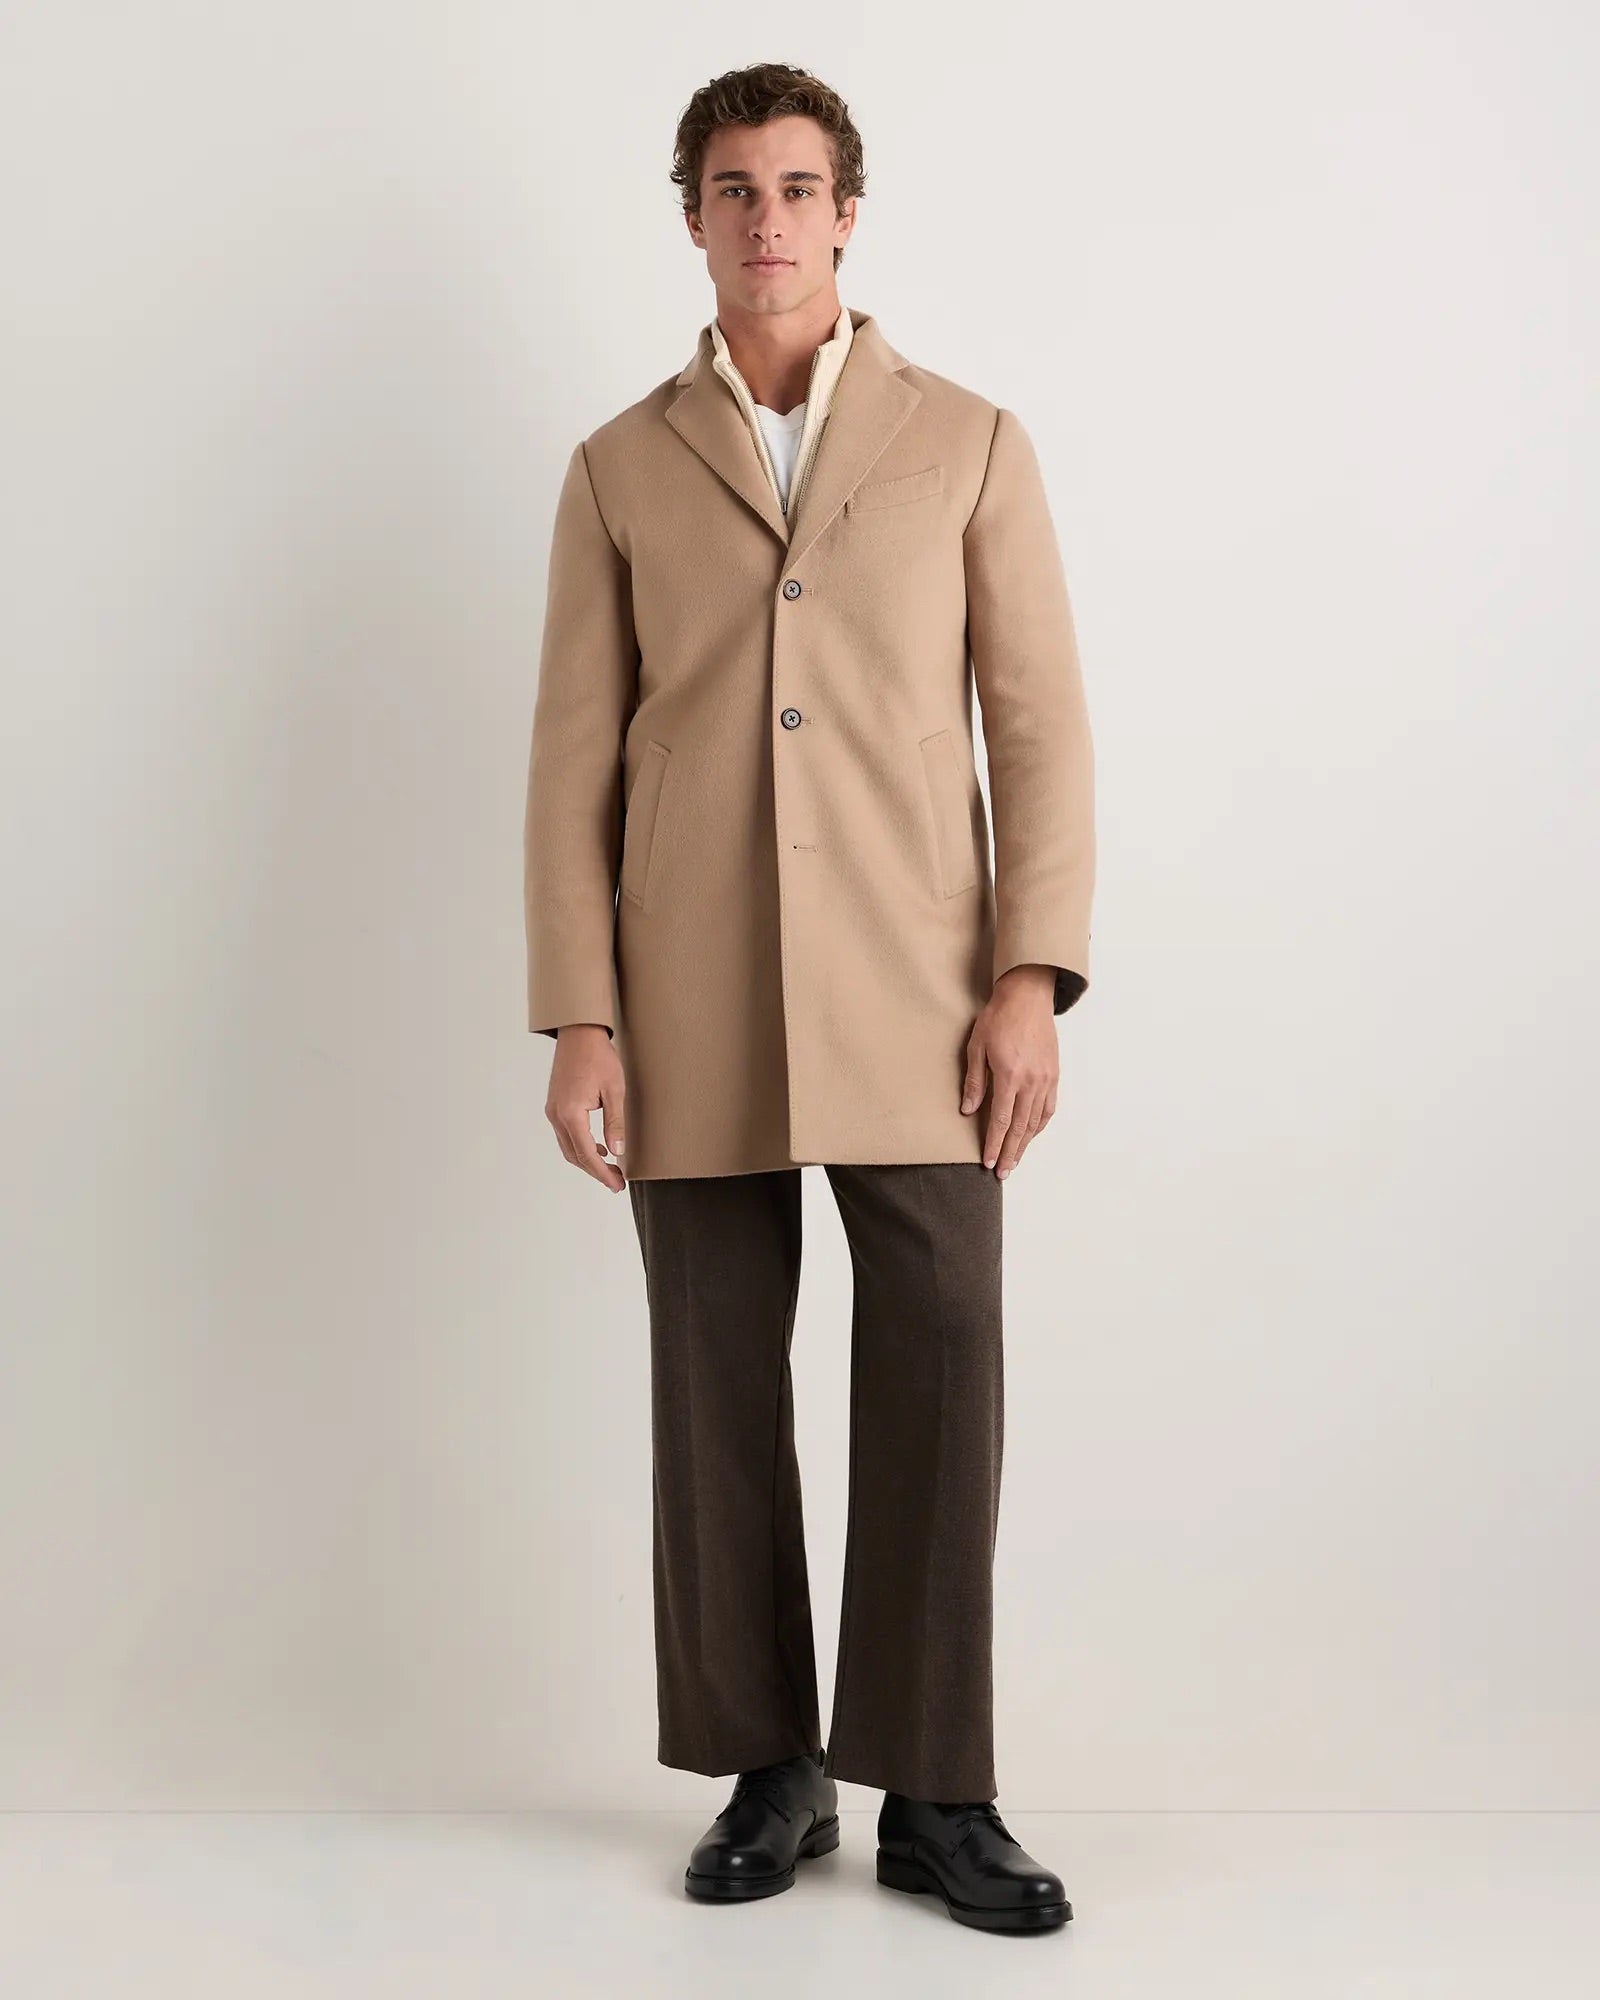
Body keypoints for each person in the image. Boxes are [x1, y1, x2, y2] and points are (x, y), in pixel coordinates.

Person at [523, 62, 1095, 1936]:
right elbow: (573, 758)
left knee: (943, 1352)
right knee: (712, 1374)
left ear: (848, 212)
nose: (765, 219)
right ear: (691, 217)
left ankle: (935, 1787)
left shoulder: (971, 440)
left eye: (795, 187)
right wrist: (582, 1014)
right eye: (731, 189)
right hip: (685, 980)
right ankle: (768, 1767)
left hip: (923, 991)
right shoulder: (618, 466)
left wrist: (1029, 977)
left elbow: (1037, 726)